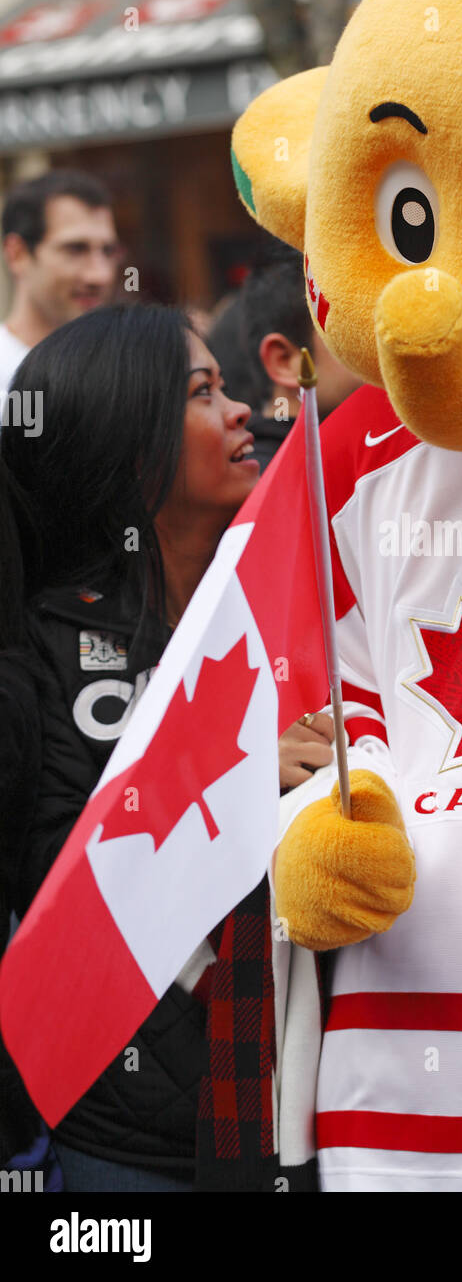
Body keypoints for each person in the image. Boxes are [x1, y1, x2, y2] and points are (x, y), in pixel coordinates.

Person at [0, 304, 333, 1190]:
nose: (237, 412)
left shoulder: (292, 614)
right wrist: (246, 780)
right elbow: (65, 888)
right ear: (126, 437)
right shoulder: (39, 657)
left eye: (228, 388)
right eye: (200, 393)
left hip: (295, 1108)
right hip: (116, 1143)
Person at [228, 238, 363, 471]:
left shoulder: (349, 456)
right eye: (353, 325)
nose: (380, 342)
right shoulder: (264, 484)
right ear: (285, 361)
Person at [0, 170, 119, 397]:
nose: (100, 275)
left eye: (108, 251)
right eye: (75, 249)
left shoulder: (127, 371)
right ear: (17, 254)